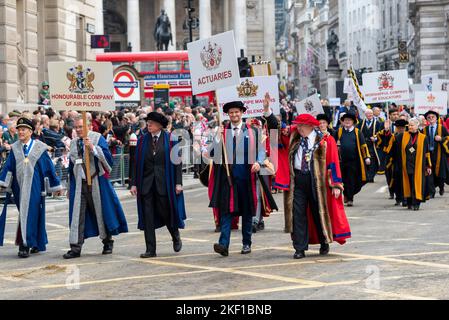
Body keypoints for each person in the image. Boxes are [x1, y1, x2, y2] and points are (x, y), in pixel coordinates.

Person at [284, 114, 351, 259]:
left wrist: (335, 185)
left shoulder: (325, 140)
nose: (298, 127)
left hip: (317, 182)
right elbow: (275, 129)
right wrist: (267, 112)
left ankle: (323, 241)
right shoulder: (295, 138)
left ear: (310, 126)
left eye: (301, 125)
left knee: (318, 213)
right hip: (298, 181)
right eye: (298, 125)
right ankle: (299, 248)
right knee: (298, 215)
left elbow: (333, 162)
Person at [208, 101, 269, 257]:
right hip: (227, 180)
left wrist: (258, 162)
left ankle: (247, 243)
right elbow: (212, 153)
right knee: (226, 212)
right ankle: (223, 245)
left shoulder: (253, 131)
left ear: (242, 112)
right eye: (231, 113)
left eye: (237, 112)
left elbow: (261, 151)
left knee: (247, 213)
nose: (234, 115)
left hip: (246, 179)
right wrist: (217, 137)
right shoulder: (222, 131)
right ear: (227, 114)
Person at [63, 116, 128, 259]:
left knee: (102, 212)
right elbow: (72, 167)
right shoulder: (73, 143)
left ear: (89, 126)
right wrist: (69, 187)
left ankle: (107, 242)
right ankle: (75, 247)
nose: (79, 130)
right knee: (77, 216)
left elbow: (108, 159)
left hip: (97, 182)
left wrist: (92, 148)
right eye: (77, 127)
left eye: (81, 127)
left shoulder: (98, 138)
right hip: (80, 184)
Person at [0, 117, 62, 258]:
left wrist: (55, 184)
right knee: (27, 213)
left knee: (30, 212)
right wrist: (2, 182)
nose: (20, 132)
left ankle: (24, 244)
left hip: (35, 187)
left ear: (30, 131)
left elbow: (48, 167)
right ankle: (35, 242)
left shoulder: (40, 147)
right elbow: (8, 167)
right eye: (19, 129)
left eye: (23, 130)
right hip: (18, 187)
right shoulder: (15, 147)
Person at [130, 112, 186, 258]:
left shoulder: (171, 139)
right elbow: (135, 164)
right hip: (146, 185)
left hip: (164, 183)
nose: (148, 125)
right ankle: (150, 249)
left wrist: (178, 183)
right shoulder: (142, 140)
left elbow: (177, 163)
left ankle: (175, 236)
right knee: (148, 216)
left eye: (151, 123)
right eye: (148, 122)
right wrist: (134, 184)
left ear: (160, 125)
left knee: (166, 214)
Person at [391, 118, 432, 211]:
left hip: (419, 165)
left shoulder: (423, 137)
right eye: (409, 125)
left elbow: (427, 153)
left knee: (416, 183)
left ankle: (416, 203)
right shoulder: (402, 136)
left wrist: (428, 166)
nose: (410, 127)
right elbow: (392, 143)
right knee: (408, 183)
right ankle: (409, 202)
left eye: (412, 125)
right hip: (406, 165)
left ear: (418, 126)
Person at [333, 111, 371, 207]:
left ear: (353, 122)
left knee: (352, 180)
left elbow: (363, 145)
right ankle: (346, 195)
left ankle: (350, 198)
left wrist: (366, 157)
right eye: (345, 120)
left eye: (349, 120)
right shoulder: (339, 131)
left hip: (354, 161)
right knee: (343, 179)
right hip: (341, 161)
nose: (347, 121)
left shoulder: (357, 132)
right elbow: (333, 143)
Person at [423, 110, 449, 197]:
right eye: (429, 117)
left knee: (441, 174)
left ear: (436, 118)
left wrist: (441, 139)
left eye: (432, 117)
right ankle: (431, 192)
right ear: (426, 119)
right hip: (429, 154)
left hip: (440, 154)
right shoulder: (424, 129)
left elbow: (448, 138)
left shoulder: (442, 128)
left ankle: (441, 187)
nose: (431, 119)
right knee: (430, 173)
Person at [383, 119, 409, 206]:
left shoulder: (409, 137)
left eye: (402, 128)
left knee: (406, 181)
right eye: (399, 128)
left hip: (407, 162)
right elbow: (388, 149)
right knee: (397, 180)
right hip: (396, 162)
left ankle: (405, 198)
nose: (401, 129)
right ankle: (398, 198)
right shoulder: (394, 137)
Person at [357, 109, 383, 182]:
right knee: (364, 160)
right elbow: (357, 133)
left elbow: (381, 134)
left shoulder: (378, 123)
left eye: (371, 114)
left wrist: (376, 138)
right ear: (365, 114)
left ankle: (371, 177)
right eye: (368, 114)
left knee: (373, 161)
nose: (370, 115)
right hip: (364, 145)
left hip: (373, 146)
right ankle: (366, 176)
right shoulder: (361, 123)